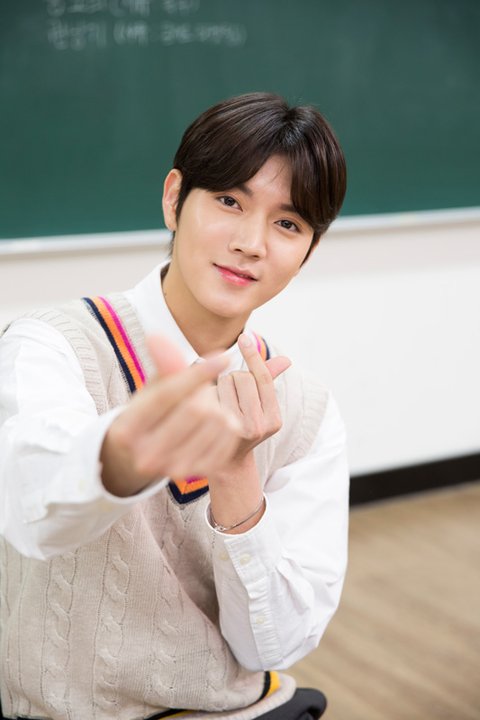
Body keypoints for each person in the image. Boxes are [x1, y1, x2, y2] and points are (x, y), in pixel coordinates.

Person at [0, 92, 348, 720]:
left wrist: (236, 477)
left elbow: (277, 647)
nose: (251, 243)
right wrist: (121, 457)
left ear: (308, 252)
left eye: (288, 224)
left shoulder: (305, 410)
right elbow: (34, 516)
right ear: (173, 198)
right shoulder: (53, 344)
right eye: (229, 201)